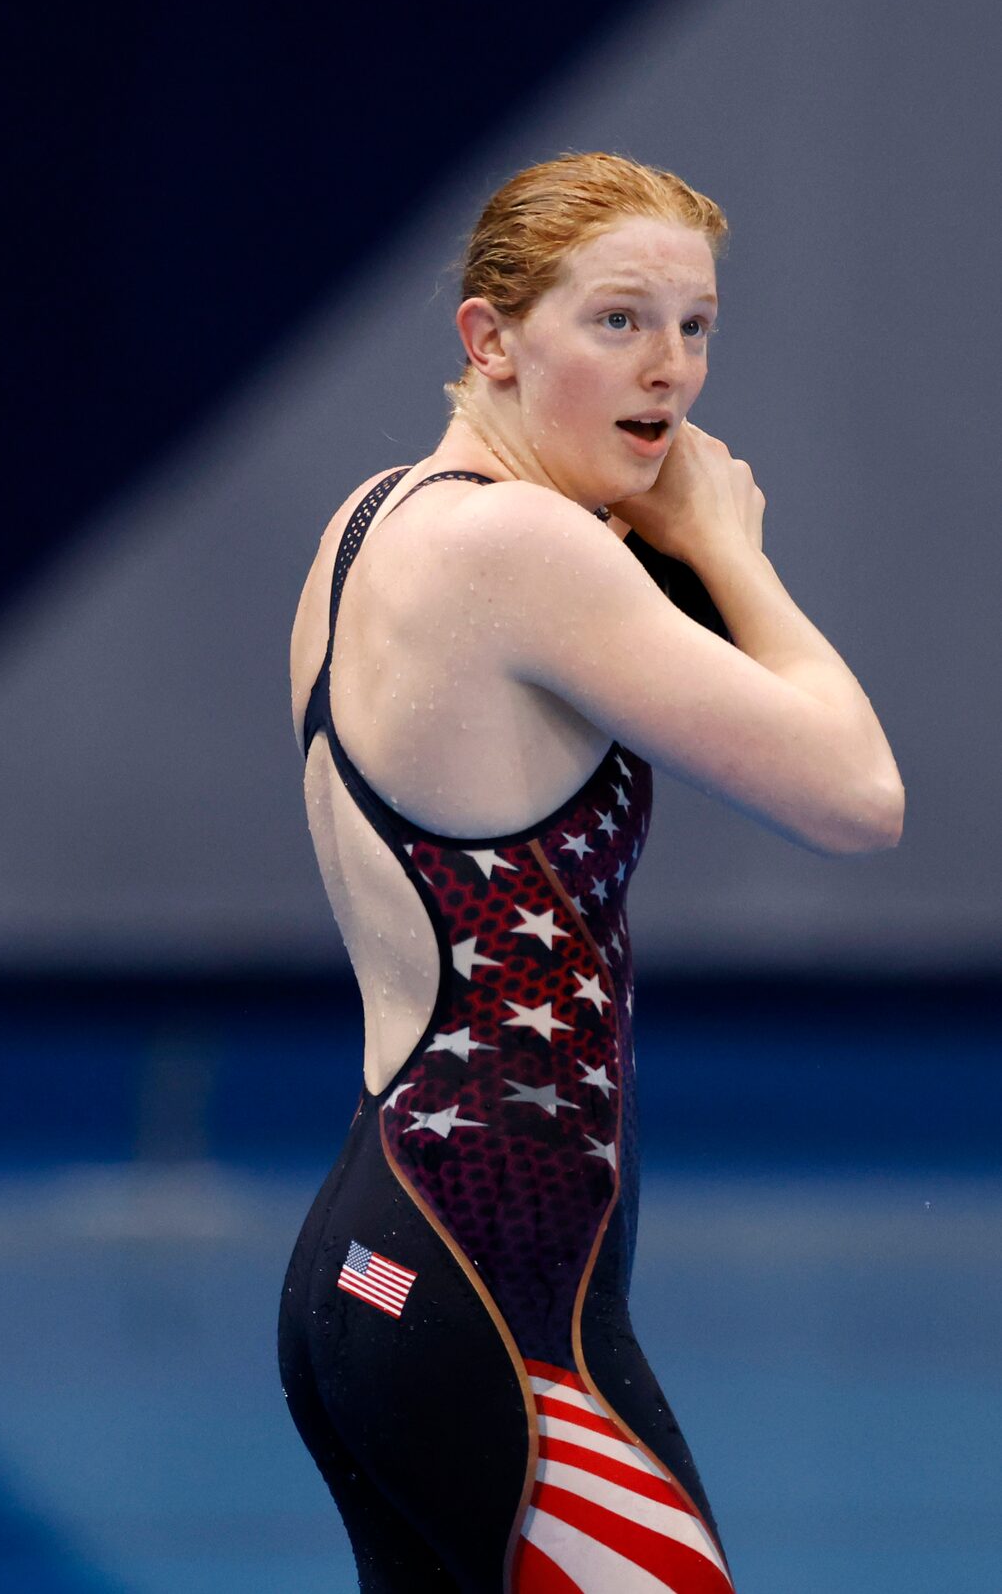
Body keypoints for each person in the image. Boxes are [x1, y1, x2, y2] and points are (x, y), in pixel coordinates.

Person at [278, 151, 904, 1594]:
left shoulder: (369, 523)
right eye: (616, 320)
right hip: (492, 1299)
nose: (668, 369)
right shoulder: (517, 545)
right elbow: (855, 796)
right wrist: (725, 548)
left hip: (384, 1261)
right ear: (488, 340)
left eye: (693, 326)